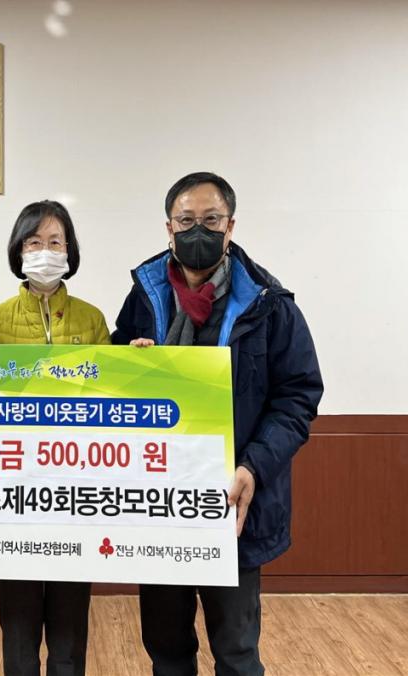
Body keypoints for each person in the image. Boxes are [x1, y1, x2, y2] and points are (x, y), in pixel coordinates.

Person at [112, 172, 323, 675]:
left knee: (236, 652)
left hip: (233, 505)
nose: (198, 231)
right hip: (160, 506)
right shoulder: (144, 296)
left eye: (211, 220)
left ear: (230, 227)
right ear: (169, 228)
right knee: (166, 649)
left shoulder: (269, 303)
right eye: (186, 220)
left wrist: (254, 467)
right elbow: (113, 380)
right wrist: (129, 365)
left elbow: (297, 398)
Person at [0, 200, 110, 676]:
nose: (45, 252)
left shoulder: (92, 320)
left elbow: (111, 400)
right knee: (18, 623)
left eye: (56, 242)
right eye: (35, 242)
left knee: (70, 624)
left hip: (75, 495)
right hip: (14, 495)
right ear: (19, 251)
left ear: (70, 251)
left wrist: (140, 363)